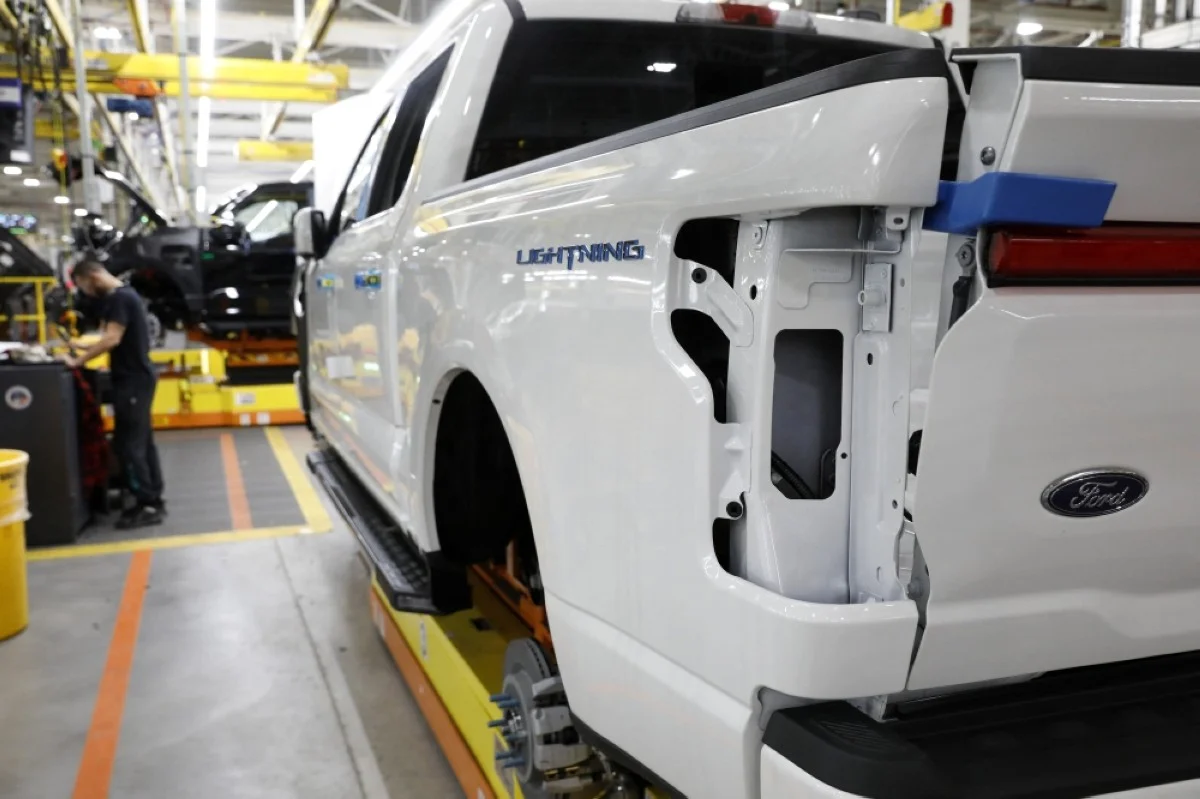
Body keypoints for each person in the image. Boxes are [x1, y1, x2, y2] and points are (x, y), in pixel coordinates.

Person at [65, 261, 165, 529]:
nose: (85, 292)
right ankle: (153, 497)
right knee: (142, 442)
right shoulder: (127, 295)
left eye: (84, 286)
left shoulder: (119, 299)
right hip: (139, 378)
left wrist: (79, 360)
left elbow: (112, 339)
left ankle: (146, 503)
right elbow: (109, 334)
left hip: (132, 381)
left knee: (129, 445)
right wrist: (81, 344)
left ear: (93, 276)